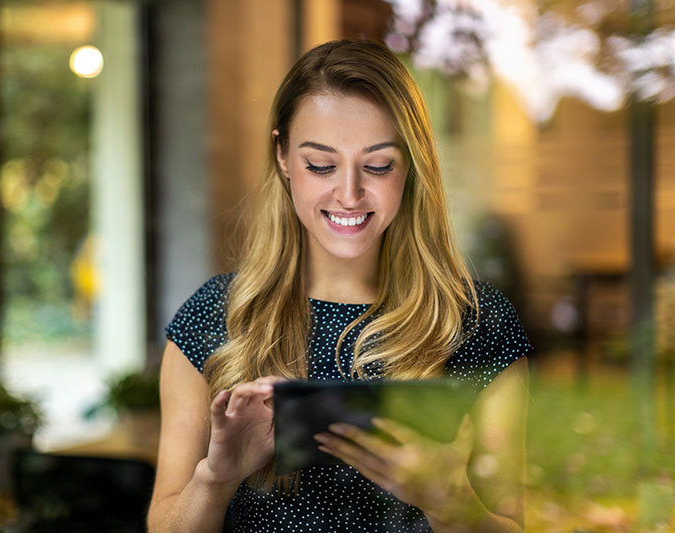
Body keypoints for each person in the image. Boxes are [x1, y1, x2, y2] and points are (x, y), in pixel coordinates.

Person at [147, 39, 531, 533]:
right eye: (321, 165)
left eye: (378, 165)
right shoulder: (215, 316)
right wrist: (215, 480)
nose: (349, 195)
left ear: (411, 165)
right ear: (282, 156)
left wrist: (454, 505)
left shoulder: (478, 323)